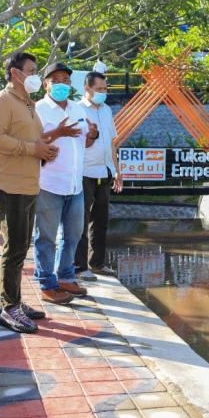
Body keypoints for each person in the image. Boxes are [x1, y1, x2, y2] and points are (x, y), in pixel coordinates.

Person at [0, 51, 59, 333]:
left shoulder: (27, 104)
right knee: (14, 249)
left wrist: (45, 150)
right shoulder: (1, 101)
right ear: (16, 73)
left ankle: (14, 300)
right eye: (32, 70)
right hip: (7, 186)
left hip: (28, 185)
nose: (36, 76)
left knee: (20, 248)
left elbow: (31, 140)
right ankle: (9, 308)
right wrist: (33, 149)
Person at [33, 62, 99, 304]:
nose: (62, 84)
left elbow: (84, 143)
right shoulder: (38, 109)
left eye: (66, 80)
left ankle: (66, 276)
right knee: (46, 237)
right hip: (48, 184)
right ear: (45, 84)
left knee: (73, 235)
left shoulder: (78, 109)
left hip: (75, 185)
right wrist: (57, 133)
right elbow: (31, 140)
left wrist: (92, 135)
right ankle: (47, 283)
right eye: (56, 80)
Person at [75, 71, 123, 281]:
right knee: (80, 220)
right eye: (100, 89)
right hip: (84, 172)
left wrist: (117, 170)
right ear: (87, 88)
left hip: (104, 172)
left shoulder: (106, 110)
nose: (104, 92)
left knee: (101, 219)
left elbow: (111, 142)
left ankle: (98, 263)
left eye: (105, 88)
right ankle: (80, 266)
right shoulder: (77, 109)